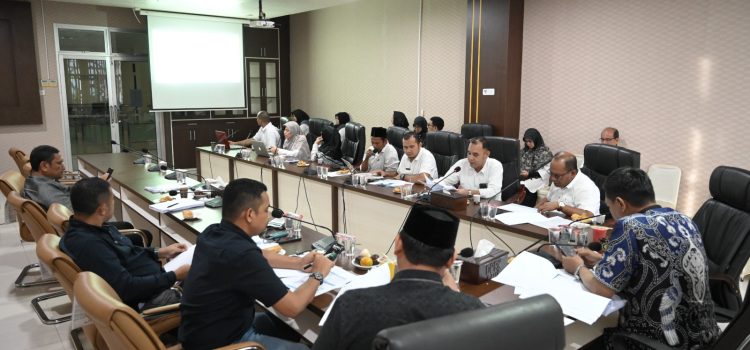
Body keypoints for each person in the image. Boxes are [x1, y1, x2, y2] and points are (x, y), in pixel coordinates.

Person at [559, 168, 719, 349]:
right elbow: (656, 263)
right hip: (704, 337)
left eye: (610, 207)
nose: (612, 213)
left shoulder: (629, 225)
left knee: (578, 341)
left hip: (659, 341)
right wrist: (599, 260)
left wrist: (578, 267)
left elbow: (602, 290)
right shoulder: (684, 219)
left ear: (620, 203)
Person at [179, 179, 334, 350]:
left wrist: (298, 262)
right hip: (222, 343)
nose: (268, 216)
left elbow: (259, 254)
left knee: (284, 326)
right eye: (266, 210)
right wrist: (318, 274)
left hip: (200, 330)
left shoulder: (213, 233)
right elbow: (292, 307)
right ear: (250, 214)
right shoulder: (243, 255)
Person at [313, 204, 485, 350]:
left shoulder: (351, 305)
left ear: (398, 244)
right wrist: (456, 295)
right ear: (451, 260)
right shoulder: (472, 311)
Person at [60, 177, 189, 310]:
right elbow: (128, 288)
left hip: (154, 280)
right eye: (112, 199)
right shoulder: (90, 244)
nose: (113, 202)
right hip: (148, 299)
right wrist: (175, 275)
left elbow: (128, 251)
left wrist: (160, 252)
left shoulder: (93, 228)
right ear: (102, 209)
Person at [436, 137, 504, 200]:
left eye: (475, 154)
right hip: (467, 207)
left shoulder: (495, 165)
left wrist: (469, 192)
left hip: (491, 208)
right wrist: (430, 185)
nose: (470, 158)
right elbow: (445, 181)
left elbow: (493, 190)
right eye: (469, 153)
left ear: (486, 154)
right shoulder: (462, 164)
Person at [535, 151, 600, 217]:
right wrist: (533, 211)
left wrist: (560, 205)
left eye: (557, 176)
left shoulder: (586, 187)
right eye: (551, 173)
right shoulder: (557, 180)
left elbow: (588, 215)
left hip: (573, 225)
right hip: (551, 220)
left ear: (572, 173)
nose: (552, 179)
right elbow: (548, 198)